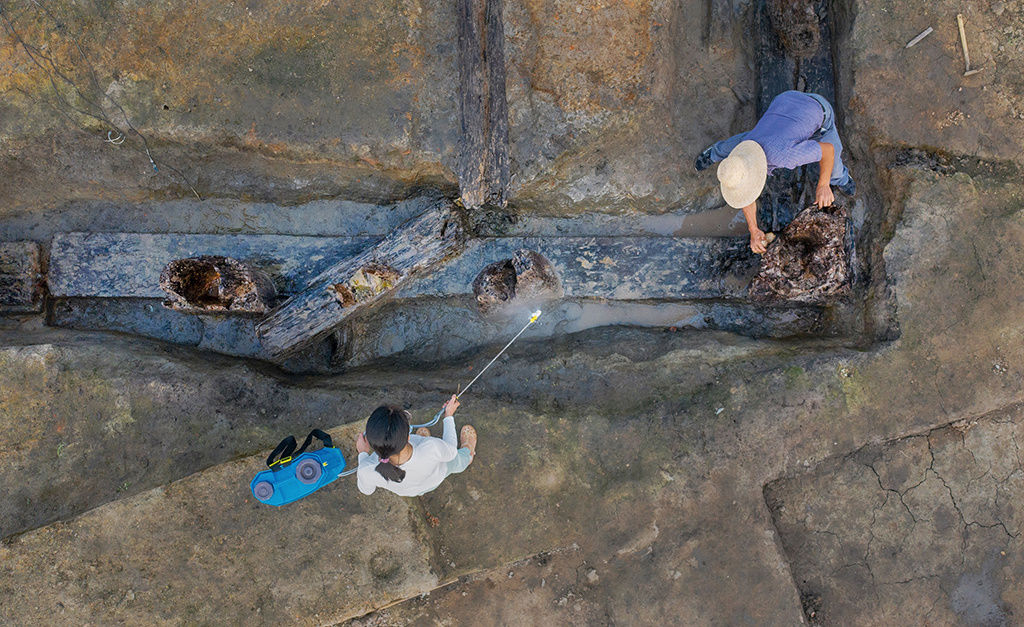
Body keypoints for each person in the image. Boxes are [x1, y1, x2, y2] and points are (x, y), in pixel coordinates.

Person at [694, 90, 856, 254]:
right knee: (733, 146)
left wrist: (823, 185)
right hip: (782, 102)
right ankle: (714, 153)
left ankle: (842, 178)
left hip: (817, 108)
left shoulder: (785, 157)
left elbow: (828, 151)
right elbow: (745, 191)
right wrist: (753, 229)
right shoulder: (745, 148)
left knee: (833, 168)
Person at [355, 395, 477, 497]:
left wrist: (363, 454)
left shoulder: (367, 469)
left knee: (426, 446)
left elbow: (367, 490)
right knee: (457, 460)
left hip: (416, 491)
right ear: (408, 436)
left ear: (372, 444)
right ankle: (468, 453)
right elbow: (451, 452)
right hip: (437, 475)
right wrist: (448, 416)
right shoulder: (431, 447)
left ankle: (423, 439)